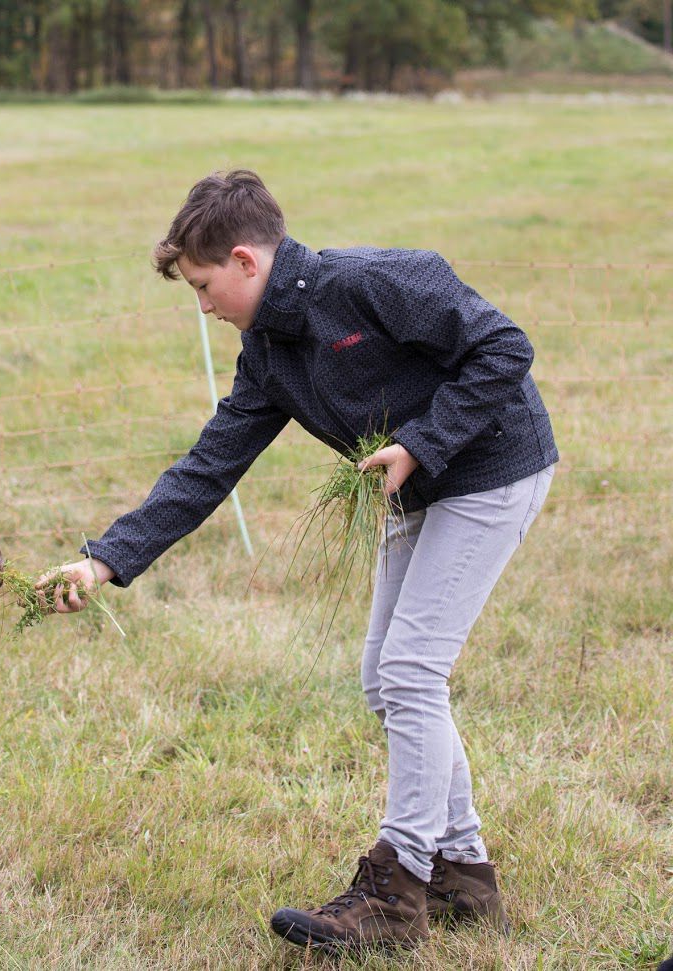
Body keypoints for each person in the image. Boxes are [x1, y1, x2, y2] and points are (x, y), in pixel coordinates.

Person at [37, 169, 557, 951]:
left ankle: (397, 890)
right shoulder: (268, 353)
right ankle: (463, 873)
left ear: (246, 261)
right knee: (384, 677)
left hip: (491, 468)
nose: (204, 306)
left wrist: (421, 442)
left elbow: (505, 347)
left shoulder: (376, 281)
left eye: (204, 286)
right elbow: (208, 467)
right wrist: (103, 561)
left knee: (412, 671)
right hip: (415, 488)